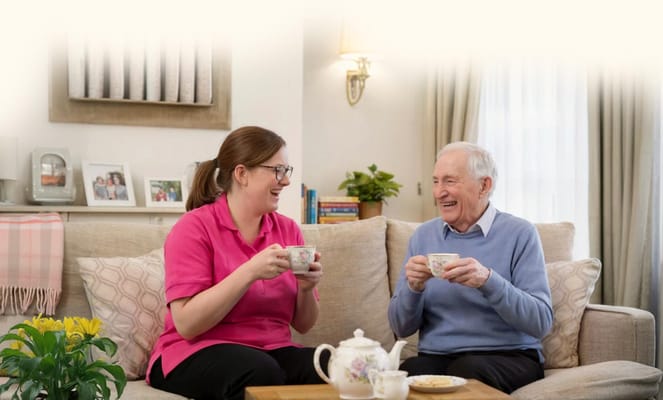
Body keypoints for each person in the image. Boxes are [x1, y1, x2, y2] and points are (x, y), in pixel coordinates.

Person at [147, 126, 327, 400]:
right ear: (242, 174)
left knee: (334, 366)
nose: (286, 181)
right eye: (277, 170)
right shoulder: (194, 228)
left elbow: (303, 325)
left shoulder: (288, 230)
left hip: (272, 351)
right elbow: (187, 324)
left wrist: (305, 288)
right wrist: (250, 272)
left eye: (286, 171)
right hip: (193, 351)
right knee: (260, 372)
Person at [387, 141, 553, 394]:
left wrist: (487, 280)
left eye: (450, 181)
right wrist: (414, 287)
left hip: (510, 356)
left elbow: (540, 322)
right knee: (409, 373)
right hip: (438, 356)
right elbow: (401, 328)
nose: (439, 192)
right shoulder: (423, 236)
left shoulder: (520, 233)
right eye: (435, 181)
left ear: (484, 186)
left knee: (467, 372)